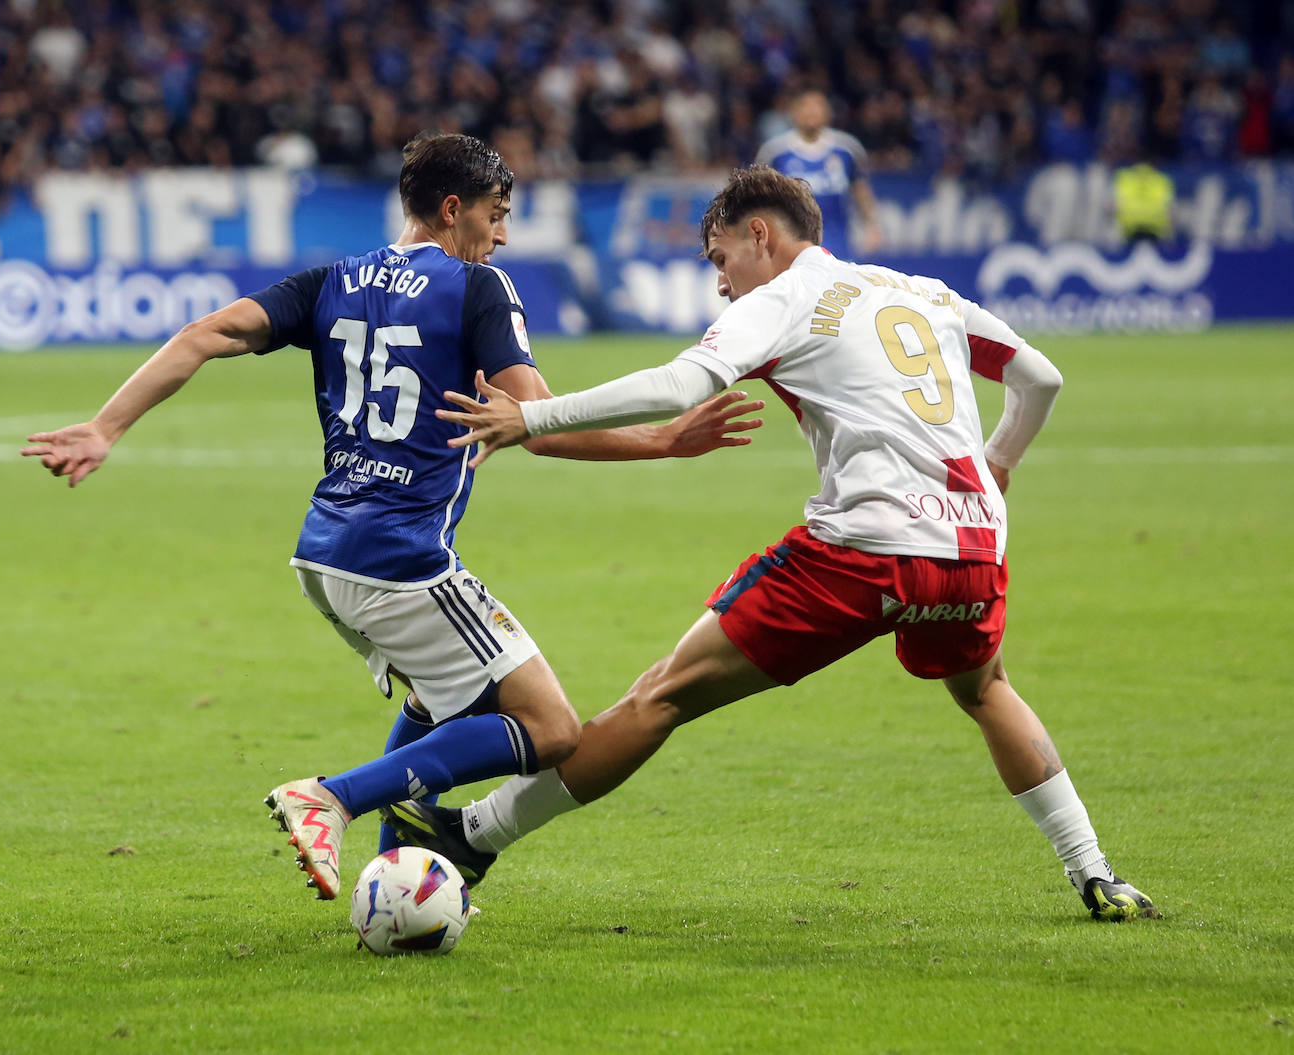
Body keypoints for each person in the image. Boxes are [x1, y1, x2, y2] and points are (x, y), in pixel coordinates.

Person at [382, 165, 1158, 922]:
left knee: (663, 693)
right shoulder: (924, 292)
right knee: (987, 689)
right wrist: (997, 462)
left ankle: (473, 833)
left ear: (760, 234)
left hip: (866, 547)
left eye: (722, 259)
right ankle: (1095, 872)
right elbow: (1040, 377)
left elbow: (684, 385)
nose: (721, 283)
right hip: (972, 548)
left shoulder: (790, 295)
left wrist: (534, 418)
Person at [21, 133, 762, 901]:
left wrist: (105, 426)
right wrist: (663, 440)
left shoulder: (332, 280)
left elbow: (204, 334)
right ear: (452, 209)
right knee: (552, 729)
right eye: (496, 214)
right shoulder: (479, 288)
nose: (502, 235)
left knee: (430, 696)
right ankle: (333, 797)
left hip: (324, 553)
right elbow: (537, 422)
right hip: (402, 558)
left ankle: (393, 878)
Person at [756, 89, 882, 260]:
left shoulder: (847, 149)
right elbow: (759, 198)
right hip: (791, 246)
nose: (811, 111)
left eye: (817, 106)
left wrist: (872, 226)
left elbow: (860, 189)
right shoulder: (775, 152)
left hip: (839, 244)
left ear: (828, 112)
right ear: (793, 112)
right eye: (805, 106)